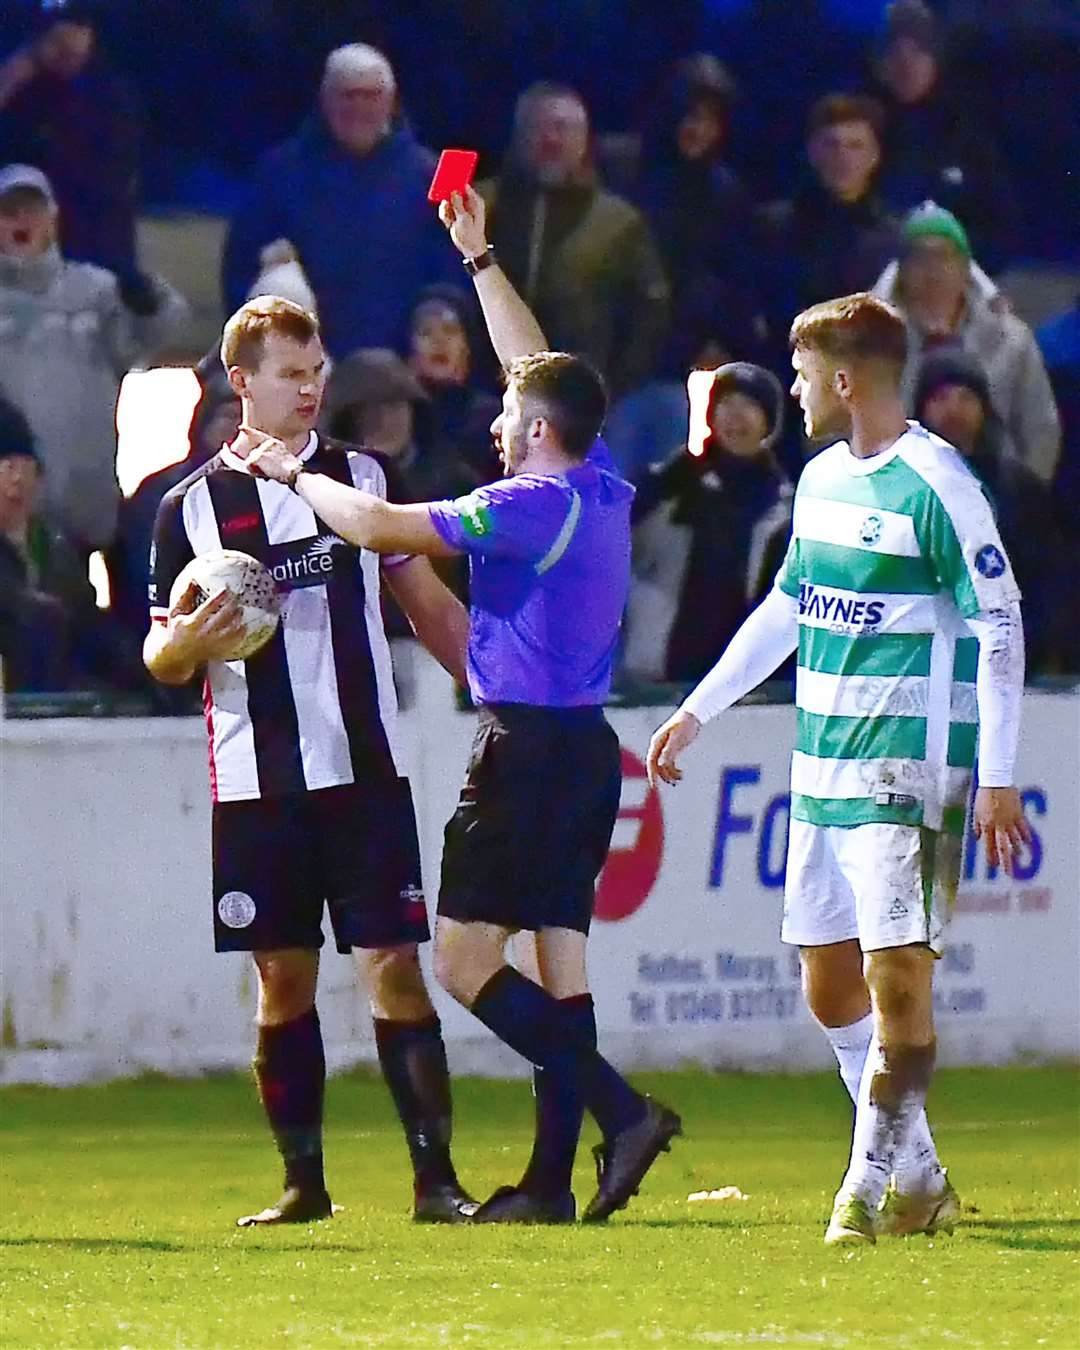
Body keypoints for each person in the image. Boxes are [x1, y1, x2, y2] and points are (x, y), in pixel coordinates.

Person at [245, 186, 682, 1226]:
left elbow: (381, 518)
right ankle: (546, 1185)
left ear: (534, 432)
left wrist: (295, 473)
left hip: (522, 752)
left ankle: (621, 1114)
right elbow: (539, 374)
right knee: (559, 958)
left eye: (505, 417)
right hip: (584, 746)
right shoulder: (602, 483)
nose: (493, 421)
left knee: (461, 961)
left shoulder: (523, 504)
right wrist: (483, 262)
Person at [647, 292, 1029, 1245]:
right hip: (822, 771)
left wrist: (997, 773)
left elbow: (1003, 626)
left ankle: (862, 1191)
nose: (796, 387)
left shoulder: (938, 485)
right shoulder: (818, 480)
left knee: (899, 983)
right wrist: (700, 709)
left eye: (805, 371)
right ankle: (924, 1176)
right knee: (829, 989)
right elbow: (789, 604)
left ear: (847, 379)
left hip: (912, 775)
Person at [143, 295, 476, 1228]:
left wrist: (499, 697)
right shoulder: (188, 511)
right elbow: (159, 656)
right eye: (293, 373)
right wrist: (191, 643)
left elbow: (428, 604)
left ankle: (435, 1185)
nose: (312, 388)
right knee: (282, 979)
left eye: (318, 370)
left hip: (363, 771)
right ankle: (303, 1186)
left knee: (393, 968)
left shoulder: (359, 477)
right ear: (240, 382)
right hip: (255, 784)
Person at [221, 44, 458, 359]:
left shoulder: (441, 173)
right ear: (325, 99)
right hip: (309, 369)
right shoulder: (276, 172)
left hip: (403, 375)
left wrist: (439, 317)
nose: (359, 106)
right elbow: (241, 269)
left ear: (391, 101)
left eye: (370, 95)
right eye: (348, 95)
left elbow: (458, 269)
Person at [0, 162, 187, 554]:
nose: (21, 221)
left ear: (53, 219)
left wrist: (149, 298)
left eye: (31, 210)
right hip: (11, 504)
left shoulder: (95, 289)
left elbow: (159, 334)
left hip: (88, 498)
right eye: (8, 212)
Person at [477, 82, 670, 396]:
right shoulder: (481, 207)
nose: (551, 140)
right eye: (538, 128)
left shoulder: (618, 224)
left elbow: (649, 318)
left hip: (581, 402)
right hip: (488, 393)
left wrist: (610, 389)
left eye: (563, 128)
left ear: (584, 139)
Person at [627, 362, 793, 683]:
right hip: (658, 671)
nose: (736, 416)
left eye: (749, 405)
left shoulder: (783, 506)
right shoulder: (666, 486)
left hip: (739, 683)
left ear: (769, 422)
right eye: (726, 404)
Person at [874, 202, 1061, 485]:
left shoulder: (1011, 341)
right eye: (920, 258)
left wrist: (1019, 501)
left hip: (996, 500)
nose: (932, 272)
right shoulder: (867, 343)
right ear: (900, 270)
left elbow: (1041, 430)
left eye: (944, 257)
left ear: (966, 268)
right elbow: (832, 433)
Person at [915, 350, 1073, 675]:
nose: (953, 410)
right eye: (941, 398)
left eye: (965, 397)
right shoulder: (902, 486)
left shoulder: (1018, 488)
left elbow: (1047, 581)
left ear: (984, 408)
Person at [0, 396, 142, 693]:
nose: (16, 480)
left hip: (61, 710)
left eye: (25, 466)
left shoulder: (57, 547)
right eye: (5, 467)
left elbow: (89, 626)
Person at [871, 0, 1020, 271]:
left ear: (935, 61)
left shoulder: (968, 136)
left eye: (918, 52)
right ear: (878, 63)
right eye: (894, 52)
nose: (906, 63)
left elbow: (997, 225)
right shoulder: (856, 132)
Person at [0, 0, 142, 277]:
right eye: (53, 38)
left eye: (76, 31)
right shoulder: (22, 94)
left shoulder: (109, 96)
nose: (65, 45)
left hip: (96, 249)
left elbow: (113, 179)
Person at [758, 94, 899, 357]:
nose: (843, 157)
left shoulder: (894, 239)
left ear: (875, 156)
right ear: (812, 152)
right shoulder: (774, 229)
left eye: (855, 146)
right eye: (832, 145)